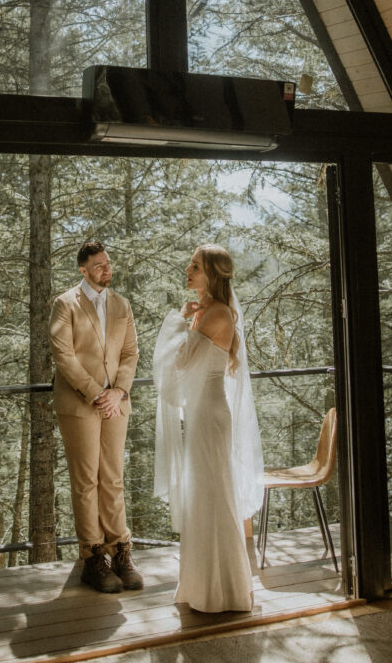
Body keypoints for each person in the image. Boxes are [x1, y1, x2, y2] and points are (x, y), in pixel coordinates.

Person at [153, 243, 263, 613]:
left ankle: (225, 590)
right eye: (190, 264)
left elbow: (181, 363)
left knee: (213, 496)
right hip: (201, 413)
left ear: (212, 275)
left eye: (196, 266)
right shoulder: (206, 312)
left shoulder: (217, 314)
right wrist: (186, 320)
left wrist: (176, 320)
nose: (188, 269)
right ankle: (202, 587)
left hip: (210, 415)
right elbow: (182, 368)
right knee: (203, 496)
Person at [49, 239, 143, 593]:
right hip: (80, 404)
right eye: (100, 265)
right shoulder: (65, 304)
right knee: (86, 480)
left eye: (108, 263)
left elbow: (131, 353)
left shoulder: (121, 304)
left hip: (116, 403)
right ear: (83, 269)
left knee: (113, 478)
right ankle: (93, 557)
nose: (107, 269)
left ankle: (121, 551)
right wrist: (97, 394)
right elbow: (64, 357)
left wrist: (117, 392)